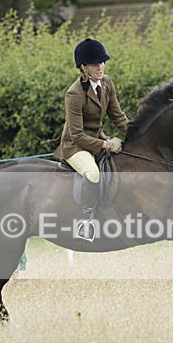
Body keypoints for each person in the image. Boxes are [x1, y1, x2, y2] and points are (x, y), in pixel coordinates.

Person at [54, 38, 129, 240]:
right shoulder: (74, 94)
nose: (100, 67)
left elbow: (118, 116)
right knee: (93, 174)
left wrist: (135, 135)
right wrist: (106, 144)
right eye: (95, 64)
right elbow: (77, 135)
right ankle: (85, 223)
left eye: (102, 62)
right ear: (83, 67)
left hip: (97, 139)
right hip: (75, 147)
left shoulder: (107, 83)